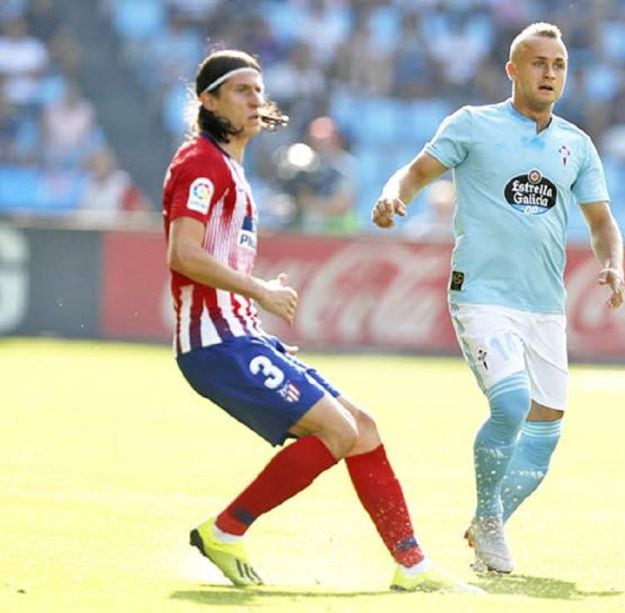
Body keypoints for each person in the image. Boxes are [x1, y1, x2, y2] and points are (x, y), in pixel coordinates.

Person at [163, 49, 478, 593]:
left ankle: (412, 566)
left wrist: (254, 301)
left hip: (241, 336)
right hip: (215, 344)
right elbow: (182, 254)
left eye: (259, 90)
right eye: (241, 91)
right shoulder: (201, 162)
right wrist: (259, 289)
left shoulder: (231, 165)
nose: (255, 100)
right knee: (336, 430)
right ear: (208, 101)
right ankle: (226, 530)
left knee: (362, 429)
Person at [371, 23, 625, 574]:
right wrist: (394, 196)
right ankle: (488, 516)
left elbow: (603, 222)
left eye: (558, 65)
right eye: (538, 64)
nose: (549, 74)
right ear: (513, 70)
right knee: (511, 404)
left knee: (546, 434)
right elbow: (415, 173)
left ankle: (489, 523)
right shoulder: (473, 124)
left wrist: (612, 263)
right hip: (481, 293)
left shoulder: (575, 144)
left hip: (545, 304)